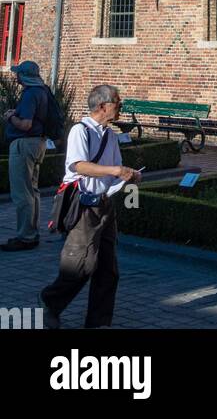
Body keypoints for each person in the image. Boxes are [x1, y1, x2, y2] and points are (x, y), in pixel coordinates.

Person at [39, 84, 141, 330]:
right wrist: (115, 170)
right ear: (102, 106)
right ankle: (51, 302)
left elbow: (116, 167)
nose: (120, 107)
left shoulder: (110, 135)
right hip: (84, 204)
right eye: (118, 102)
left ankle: (98, 323)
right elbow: (78, 166)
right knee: (81, 265)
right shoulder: (80, 131)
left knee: (108, 270)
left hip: (105, 204)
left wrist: (128, 175)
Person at [1, 60, 51, 252]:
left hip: (25, 143)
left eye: (18, 74)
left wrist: (10, 117)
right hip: (38, 143)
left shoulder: (30, 94)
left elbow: (26, 125)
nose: (16, 77)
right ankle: (32, 232)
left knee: (22, 193)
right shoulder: (42, 91)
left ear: (24, 76)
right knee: (33, 190)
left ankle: (25, 236)